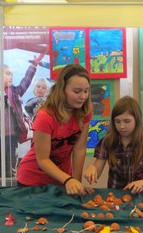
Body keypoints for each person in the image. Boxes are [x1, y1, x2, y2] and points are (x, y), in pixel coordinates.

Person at [16, 64, 93, 196]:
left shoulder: (85, 111)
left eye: (86, 91)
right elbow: (43, 160)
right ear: (62, 89)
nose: (83, 96)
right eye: (77, 91)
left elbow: (79, 149)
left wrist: (76, 182)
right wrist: (68, 179)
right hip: (32, 180)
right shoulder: (45, 117)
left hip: (62, 180)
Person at [0, 54, 43, 177]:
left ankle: (10, 189)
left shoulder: (13, 92)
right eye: (7, 73)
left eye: (12, 74)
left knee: (11, 166)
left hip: (12, 138)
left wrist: (33, 66)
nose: (11, 76)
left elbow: (25, 82)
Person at [83, 95, 143, 194]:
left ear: (137, 120)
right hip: (115, 195)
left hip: (139, 195)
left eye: (127, 121)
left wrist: (141, 183)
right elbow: (97, 170)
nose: (122, 126)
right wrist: (91, 168)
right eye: (117, 122)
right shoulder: (107, 141)